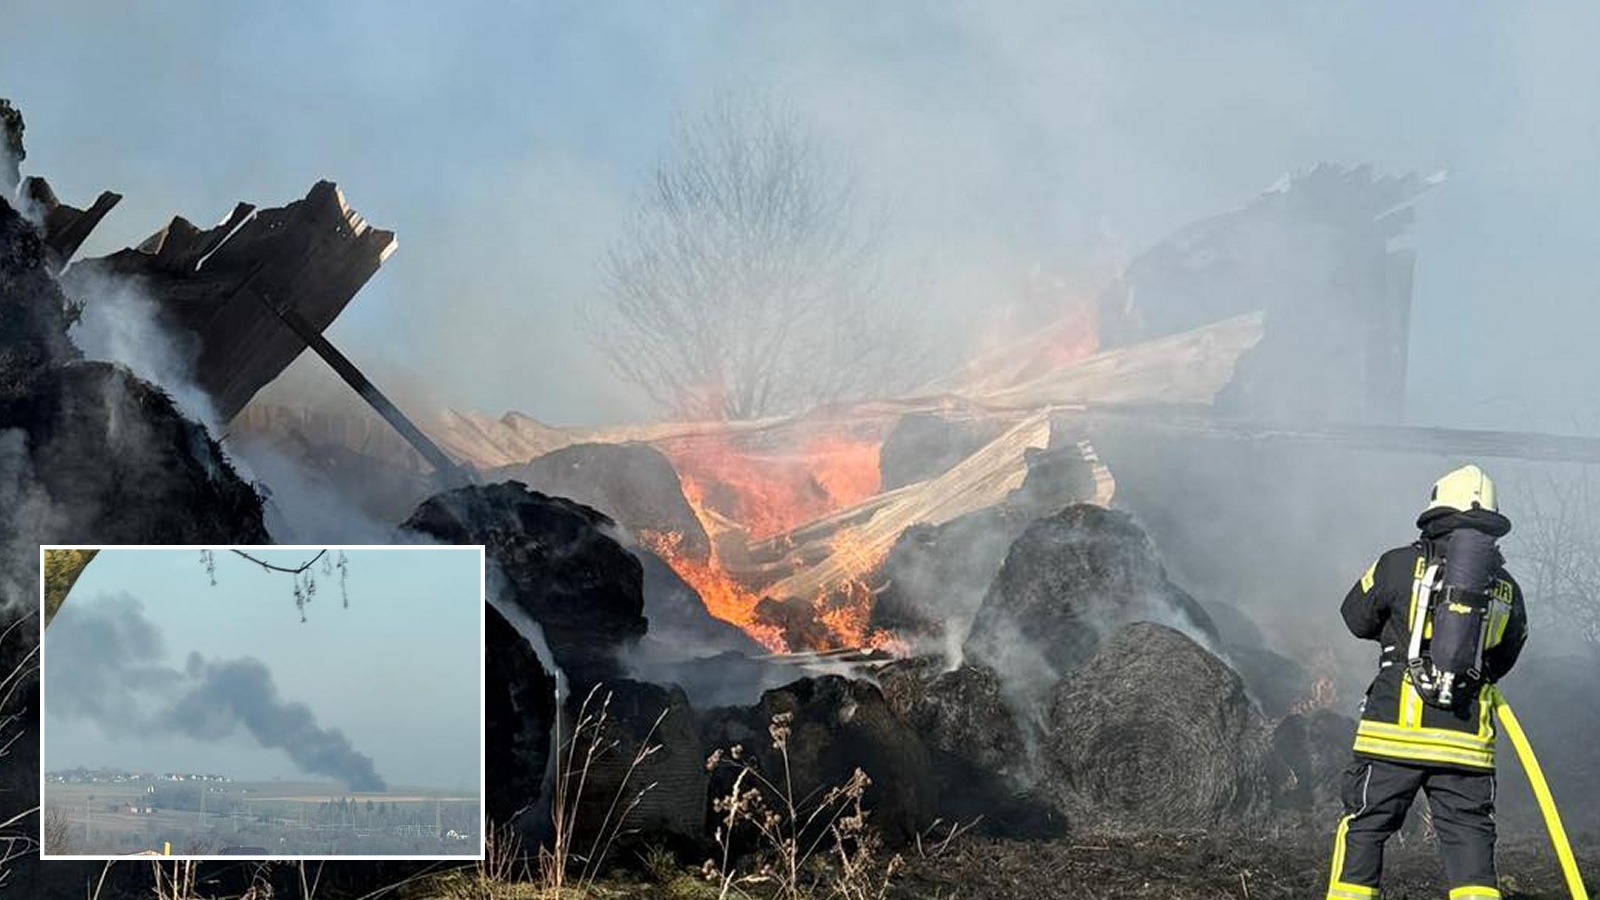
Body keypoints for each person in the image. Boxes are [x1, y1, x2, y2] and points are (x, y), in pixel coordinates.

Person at [1326, 464, 1528, 900]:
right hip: (1467, 745)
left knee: (1365, 827)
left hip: (1392, 737)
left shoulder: (1396, 564)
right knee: (1471, 840)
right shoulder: (1507, 589)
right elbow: (1506, 656)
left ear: (1434, 513)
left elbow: (1354, 617)